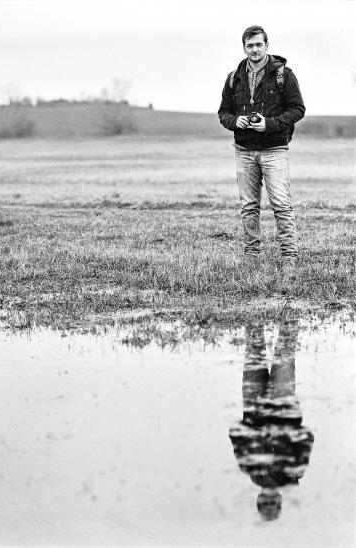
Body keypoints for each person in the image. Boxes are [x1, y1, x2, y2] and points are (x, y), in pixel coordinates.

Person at [218, 25, 305, 270]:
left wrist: (269, 124)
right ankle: (251, 254)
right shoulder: (233, 77)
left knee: (280, 203)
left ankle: (289, 255)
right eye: (249, 45)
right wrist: (236, 121)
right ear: (243, 48)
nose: (254, 49)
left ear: (267, 45)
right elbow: (223, 113)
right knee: (249, 206)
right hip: (243, 149)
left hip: (275, 148)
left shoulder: (284, 75)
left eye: (258, 44)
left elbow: (298, 109)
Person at [229, 320, 314, 521]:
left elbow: (234, 432)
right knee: (285, 352)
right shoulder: (294, 472)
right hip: (282, 404)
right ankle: (291, 300)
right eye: (273, 503)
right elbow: (308, 436)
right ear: (279, 499)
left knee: (253, 349)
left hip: (253, 404)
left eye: (265, 503)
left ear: (258, 498)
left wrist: (254, 433)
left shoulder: (248, 468)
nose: (269, 499)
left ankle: (251, 306)